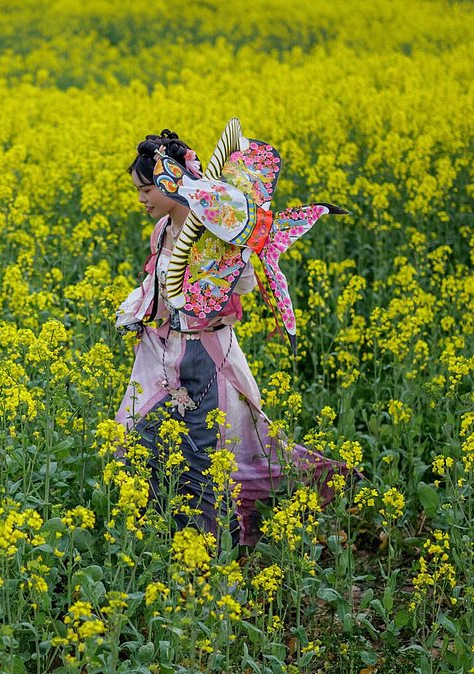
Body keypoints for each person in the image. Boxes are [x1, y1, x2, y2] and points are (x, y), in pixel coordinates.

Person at [113, 129, 355, 549]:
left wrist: (234, 259)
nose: (142, 199)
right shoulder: (160, 233)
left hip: (205, 356)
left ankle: (214, 547)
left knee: (206, 456)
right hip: (161, 354)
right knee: (135, 436)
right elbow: (154, 284)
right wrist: (139, 311)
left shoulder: (218, 231)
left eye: (148, 189)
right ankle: (162, 532)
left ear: (176, 182)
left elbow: (239, 288)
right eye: (139, 190)